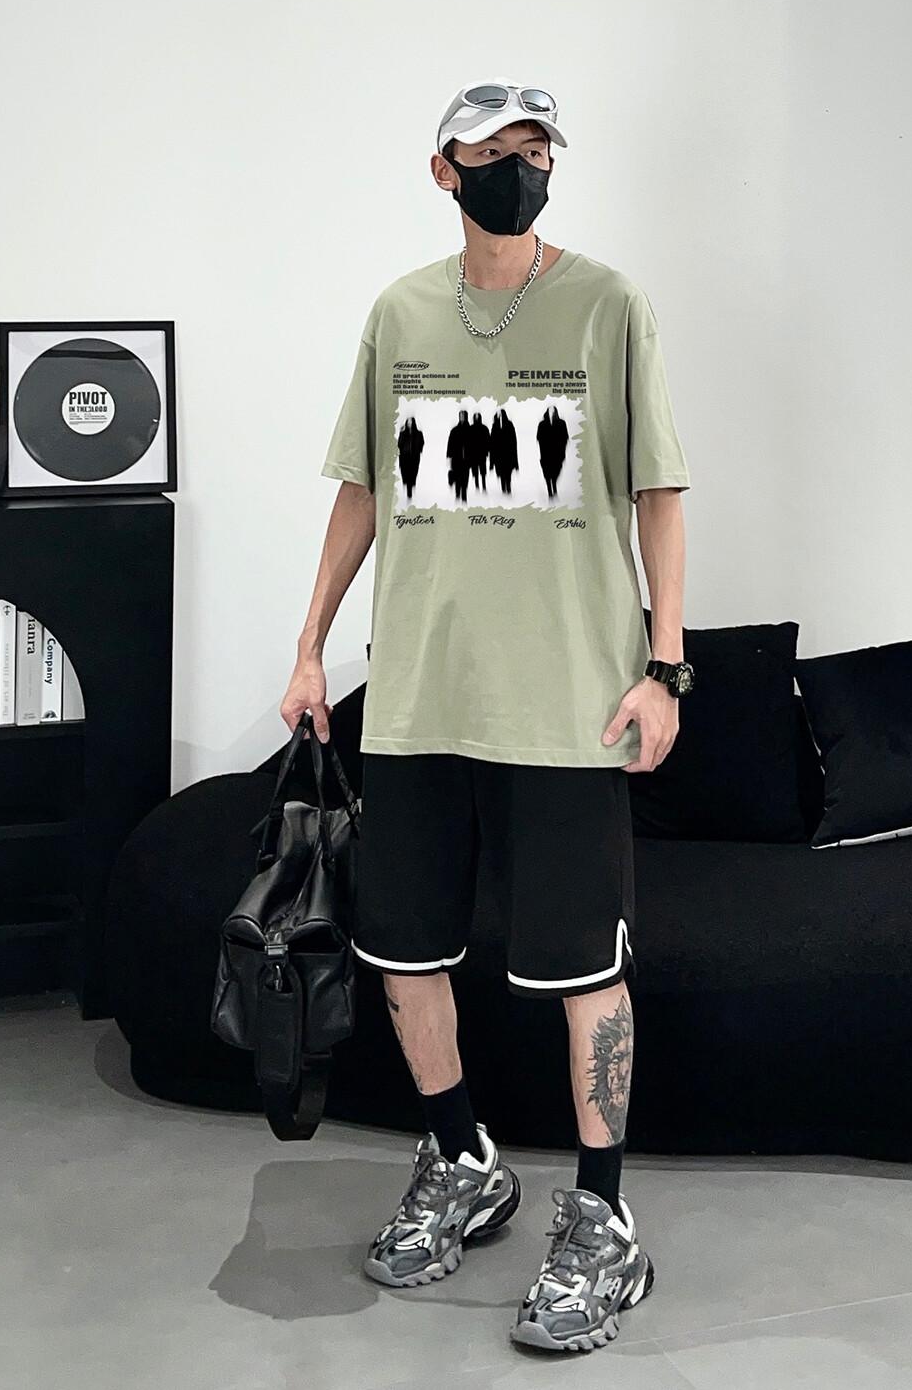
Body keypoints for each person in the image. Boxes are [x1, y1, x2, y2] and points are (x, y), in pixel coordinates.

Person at [281, 76, 694, 1355]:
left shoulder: (609, 305)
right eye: (495, 152)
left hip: (569, 706)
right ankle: (463, 1160)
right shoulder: (401, 312)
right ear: (443, 170)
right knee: (404, 952)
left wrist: (666, 668)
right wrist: (309, 647)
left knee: (585, 971)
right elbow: (362, 490)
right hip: (418, 700)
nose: (521, 170)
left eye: (537, 151)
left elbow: (658, 490)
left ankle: (604, 1222)